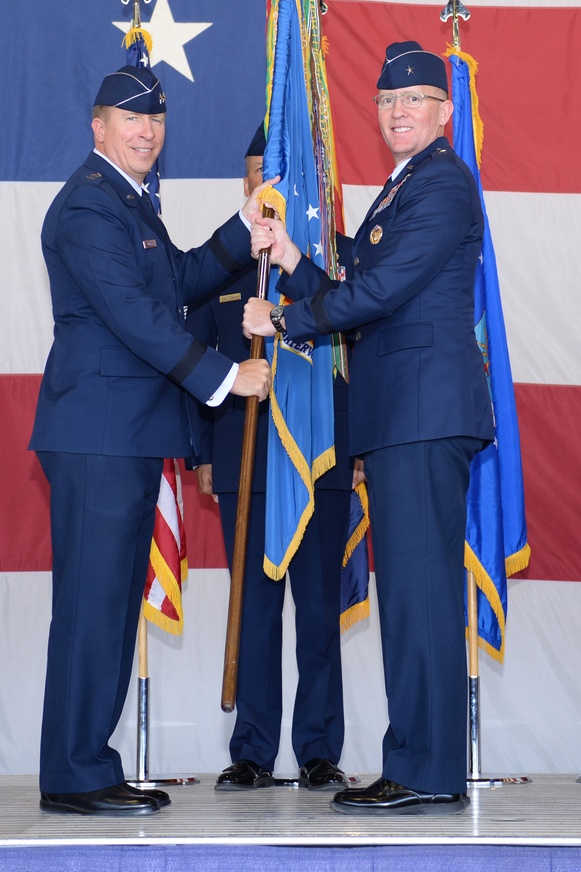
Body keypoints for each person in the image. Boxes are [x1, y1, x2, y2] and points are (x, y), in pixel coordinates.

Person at [244, 41, 494, 815]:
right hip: (400, 416)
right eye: (387, 101)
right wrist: (290, 259)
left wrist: (285, 315)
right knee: (411, 596)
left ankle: (423, 770)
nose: (397, 112)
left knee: (420, 597)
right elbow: (363, 289)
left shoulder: (444, 182)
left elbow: (379, 290)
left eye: (414, 99)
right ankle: (420, 763)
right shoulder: (403, 187)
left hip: (423, 415)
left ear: (444, 111)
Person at [29, 64, 272, 816]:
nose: (147, 132)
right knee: (92, 607)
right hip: (100, 437)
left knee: (105, 605)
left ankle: (85, 765)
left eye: (157, 122)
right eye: (131, 120)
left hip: (121, 437)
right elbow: (139, 319)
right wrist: (229, 379)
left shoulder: (129, 206)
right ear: (97, 128)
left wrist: (245, 229)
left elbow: (178, 280)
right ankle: (75, 773)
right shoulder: (90, 208)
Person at [187, 124, 354, 792]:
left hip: (321, 463)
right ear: (244, 183)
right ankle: (252, 751)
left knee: (318, 609)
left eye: (278, 176)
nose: (267, 187)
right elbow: (194, 359)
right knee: (252, 610)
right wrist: (201, 451)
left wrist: (360, 445)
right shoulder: (218, 262)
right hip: (244, 460)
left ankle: (318, 750)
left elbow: (358, 351)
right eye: (257, 173)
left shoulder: (328, 261)